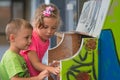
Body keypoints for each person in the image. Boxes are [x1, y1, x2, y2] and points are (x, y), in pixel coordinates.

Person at [20, 3, 61, 77]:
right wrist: (50, 68)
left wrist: (50, 66)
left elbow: (38, 61)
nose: (49, 31)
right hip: (25, 75)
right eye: (45, 27)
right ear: (36, 23)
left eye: (53, 28)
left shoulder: (46, 39)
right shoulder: (31, 38)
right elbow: (35, 63)